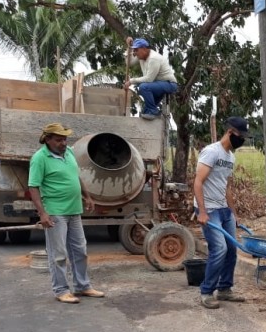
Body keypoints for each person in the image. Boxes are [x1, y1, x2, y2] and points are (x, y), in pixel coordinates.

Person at [28, 123, 105, 304]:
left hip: (74, 209)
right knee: (59, 254)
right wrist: (43, 213)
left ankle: (82, 286)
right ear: (47, 140)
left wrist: (87, 196)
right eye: (58, 140)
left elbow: (76, 176)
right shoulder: (40, 158)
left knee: (80, 251)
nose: (63, 143)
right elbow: (33, 187)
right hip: (55, 212)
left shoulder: (69, 153)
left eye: (64, 139)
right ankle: (61, 290)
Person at [193, 117, 249, 309]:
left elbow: (226, 188)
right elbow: (198, 182)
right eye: (240, 136)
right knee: (220, 249)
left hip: (223, 209)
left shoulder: (230, 157)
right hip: (208, 209)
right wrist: (201, 211)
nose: (241, 141)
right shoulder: (211, 152)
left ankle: (225, 289)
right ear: (230, 132)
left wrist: (233, 213)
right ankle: (206, 291)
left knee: (232, 250)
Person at [123, 37, 178, 120]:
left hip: (169, 84)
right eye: (134, 50)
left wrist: (131, 81)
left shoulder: (153, 58)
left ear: (144, 49)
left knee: (143, 87)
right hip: (157, 84)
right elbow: (129, 63)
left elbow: (149, 79)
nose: (135, 53)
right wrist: (129, 48)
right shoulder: (141, 57)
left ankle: (153, 112)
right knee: (145, 112)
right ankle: (152, 112)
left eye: (136, 50)